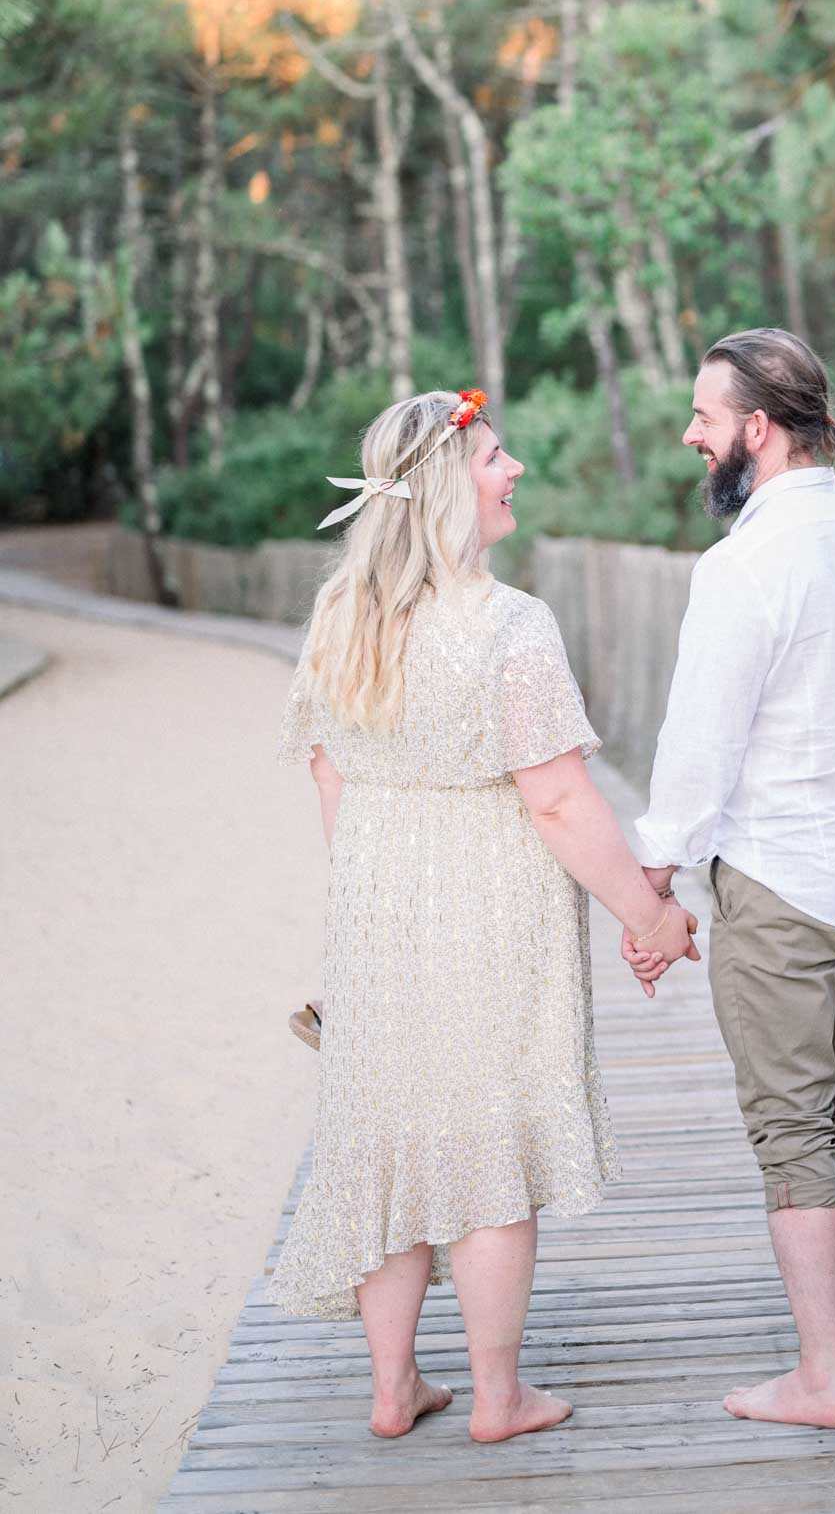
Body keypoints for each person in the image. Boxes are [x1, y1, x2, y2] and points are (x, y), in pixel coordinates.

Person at [267, 388, 697, 1444]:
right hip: (490, 905)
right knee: (488, 1142)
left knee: (391, 1141)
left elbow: (329, 775)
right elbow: (556, 801)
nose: (513, 472)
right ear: (448, 485)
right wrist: (648, 914)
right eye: (496, 458)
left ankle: (390, 1386)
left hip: (376, 904)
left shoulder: (339, 614)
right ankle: (498, 1396)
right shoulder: (509, 624)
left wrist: (375, 901)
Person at [623, 328, 835, 1431]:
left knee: (791, 1125)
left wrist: (653, 873)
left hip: (780, 883)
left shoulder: (746, 564)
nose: (690, 436)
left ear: (757, 428)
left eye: (704, 417)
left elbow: (701, 743)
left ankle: (817, 1379)